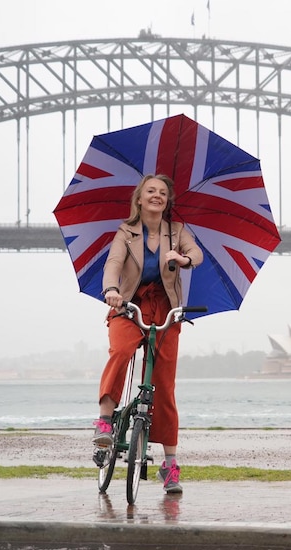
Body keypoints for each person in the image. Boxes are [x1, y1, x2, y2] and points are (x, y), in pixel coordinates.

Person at [93, 174, 203, 494]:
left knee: (164, 387)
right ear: (139, 199)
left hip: (165, 311)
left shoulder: (177, 232)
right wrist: (111, 290)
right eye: (150, 191)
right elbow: (113, 264)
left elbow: (196, 253)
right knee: (122, 351)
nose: (157, 196)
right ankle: (104, 420)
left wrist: (182, 258)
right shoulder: (124, 234)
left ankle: (169, 465)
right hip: (129, 306)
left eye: (163, 193)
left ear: (168, 201)